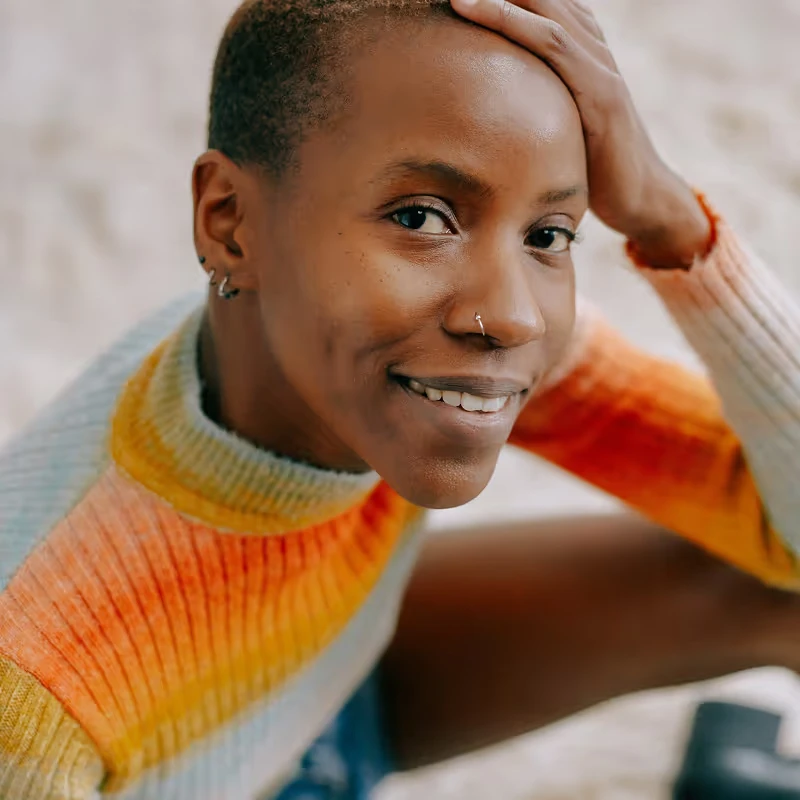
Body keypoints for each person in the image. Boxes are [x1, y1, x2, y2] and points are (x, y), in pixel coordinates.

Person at [1, 0, 799, 797]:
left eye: (548, 234)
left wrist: (669, 220)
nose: (513, 314)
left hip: (325, 691)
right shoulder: (33, 690)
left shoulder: (393, 347)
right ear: (230, 222)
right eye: (423, 217)